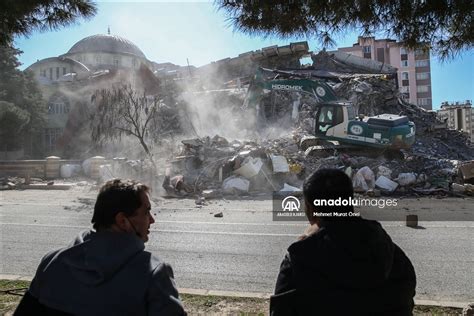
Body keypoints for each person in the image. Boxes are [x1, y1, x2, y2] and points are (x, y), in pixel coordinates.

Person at [15, 179, 186, 316]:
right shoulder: (154, 273)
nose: (152, 219)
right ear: (122, 220)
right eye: (146, 211)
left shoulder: (51, 262)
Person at [271, 169, 416, 316]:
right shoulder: (390, 251)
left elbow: (280, 310)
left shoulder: (299, 259)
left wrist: (308, 243)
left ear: (310, 208)